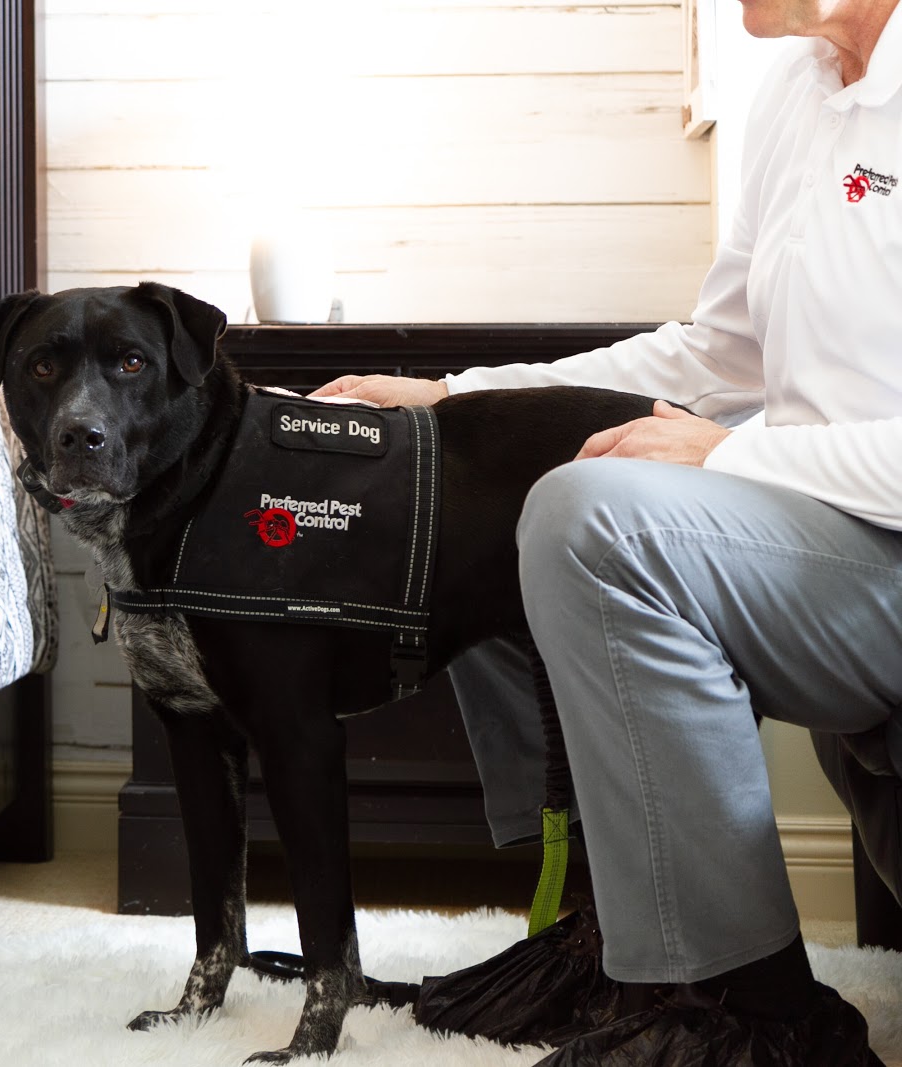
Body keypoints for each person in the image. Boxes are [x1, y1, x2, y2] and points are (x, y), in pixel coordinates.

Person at [312, 0, 902, 1061]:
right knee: (563, 488)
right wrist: (456, 395)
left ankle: (747, 1014)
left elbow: (723, 424)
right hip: (832, 544)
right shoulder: (797, 93)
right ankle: (647, 961)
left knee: (597, 519)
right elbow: (717, 353)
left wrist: (727, 454)